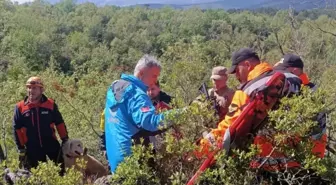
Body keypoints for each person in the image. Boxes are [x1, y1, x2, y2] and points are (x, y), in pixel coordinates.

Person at [196, 48, 302, 164]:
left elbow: (228, 127)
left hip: (265, 160)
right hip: (297, 156)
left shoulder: (248, 90)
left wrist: (200, 149)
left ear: (247, 65)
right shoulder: (288, 80)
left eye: (237, 71)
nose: (236, 76)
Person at [104, 55, 176, 173]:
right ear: (142, 73)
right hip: (132, 159)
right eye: (154, 75)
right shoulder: (136, 94)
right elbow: (150, 123)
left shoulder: (115, 86)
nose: (155, 80)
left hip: (115, 156)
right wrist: (179, 115)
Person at [273, 54, 327, 159]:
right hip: (299, 156)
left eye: (284, 70)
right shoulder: (294, 88)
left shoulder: (310, 91)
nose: (281, 74)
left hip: (308, 157)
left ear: (295, 71)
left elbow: (313, 129)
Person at [13, 76, 68, 174]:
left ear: (41, 89)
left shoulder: (50, 104)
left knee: (62, 171)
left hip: (51, 144)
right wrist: (21, 148)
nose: (31, 90)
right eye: (29, 87)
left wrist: (65, 139)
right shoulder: (20, 107)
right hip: (32, 147)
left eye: (34, 88)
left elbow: (59, 123)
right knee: (38, 176)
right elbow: (17, 129)